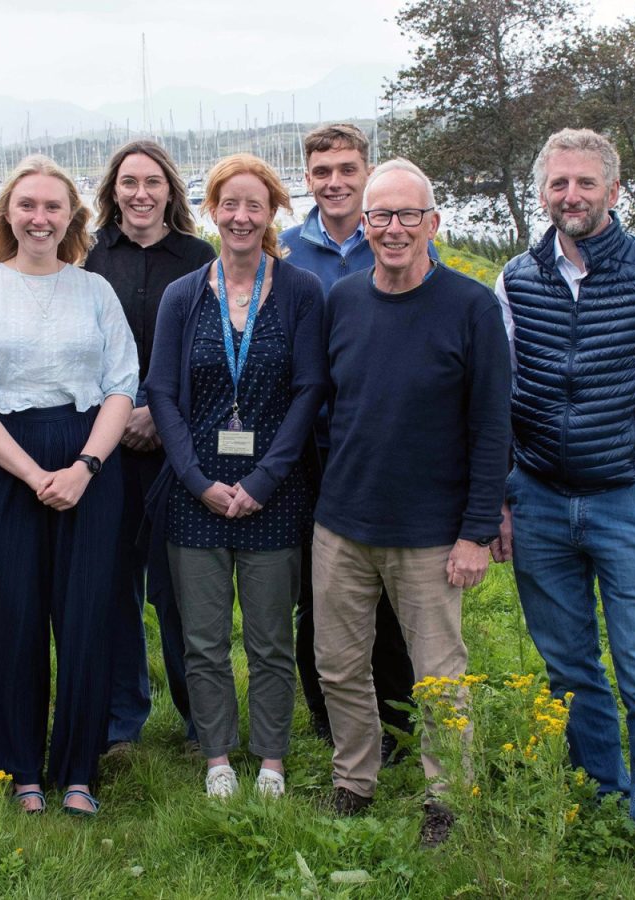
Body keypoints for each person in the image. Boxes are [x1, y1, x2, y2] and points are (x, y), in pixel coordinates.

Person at [491, 128, 635, 867]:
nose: (571, 196)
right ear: (542, 193)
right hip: (538, 499)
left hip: (631, 505)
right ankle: (599, 793)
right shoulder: (515, 279)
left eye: (585, 183)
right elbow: (497, 396)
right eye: (558, 184)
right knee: (569, 670)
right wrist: (499, 498)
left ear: (614, 191)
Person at [313, 159, 510, 847]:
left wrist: (476, 531)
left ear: (434, 223)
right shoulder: (341, 300)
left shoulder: (472, 307)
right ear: (362, 225)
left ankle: (446, 799)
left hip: (432, 534)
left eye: (407, 216)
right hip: (342, 523)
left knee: (439, 678)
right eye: (380, 217)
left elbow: (492, 427)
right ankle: (354, 780)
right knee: (339, 664)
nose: (393, 229)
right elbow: (328, 410)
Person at [0, 155, 138, 817]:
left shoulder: (95, 292)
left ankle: (79, 768)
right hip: (1, 465)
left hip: (87, 462)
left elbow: (121, 385)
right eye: (27, 205)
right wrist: (29, 473)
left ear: (71, 218)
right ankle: (18, 765)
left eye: (53, 207)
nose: (39, 217)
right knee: (10, 618)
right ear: (7, 215)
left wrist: (85, 467)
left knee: (87, 618)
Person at [147, 154, 325, 798]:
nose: (241, 216)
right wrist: (196, 480)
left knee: (274, 639)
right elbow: (162, 393)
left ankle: (272, 758)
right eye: (229, 204)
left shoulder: (302, 291)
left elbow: (309, 390)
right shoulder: (183, 295)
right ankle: (218, 756)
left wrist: (264, 480)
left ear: (273, 211)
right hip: (196, 494)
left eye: (255, 204)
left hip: (273, 494)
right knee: (204, 640)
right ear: (212, 210)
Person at [278, 123, 422, 755]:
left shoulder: (397, 238)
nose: (334, 182)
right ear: (307, 179)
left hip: (385, 443)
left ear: (366, 176)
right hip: (308, 448)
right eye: (321, 172)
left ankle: (397, 714)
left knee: (392, 594)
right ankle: (332, 716)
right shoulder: (284, 252)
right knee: (319, 593)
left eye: (346, 170)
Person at [84, 140, 216, 755]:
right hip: (101, 451)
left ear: (171, 190)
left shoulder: (199, 257)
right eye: (129, 182)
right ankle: (119, 722)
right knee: (112, 591)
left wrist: (159, 418)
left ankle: (200, 723)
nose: (140, 194)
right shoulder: (84, 257)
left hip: (175, 451)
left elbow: (212, 354)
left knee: (180, 593)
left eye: (153, 182)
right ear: (113, 189)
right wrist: (117, 420)